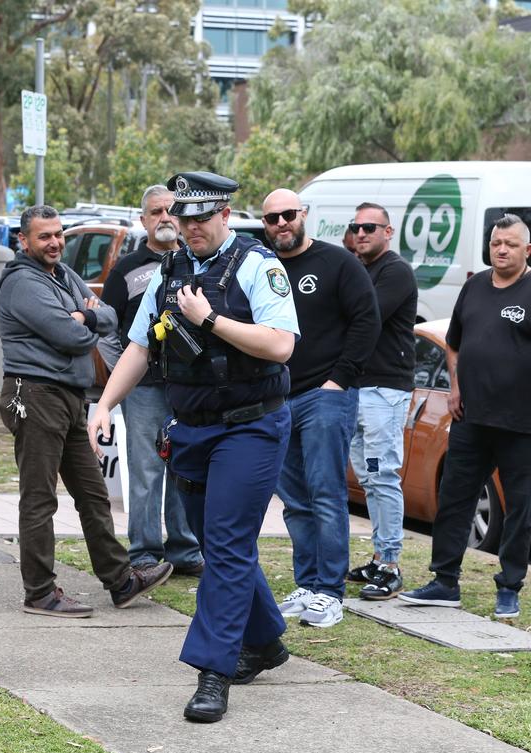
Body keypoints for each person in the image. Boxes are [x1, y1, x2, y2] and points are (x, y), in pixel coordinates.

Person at [88, 173, 299, 724]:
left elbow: (280, 345)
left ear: (226, 215)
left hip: (250, 426)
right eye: (185, 220)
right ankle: (267, 642)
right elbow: (139, 345)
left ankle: (213, 673)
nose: (193, 228)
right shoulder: (169, 271)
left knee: (224, 548)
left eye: (204, 218)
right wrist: (105, 403)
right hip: (193, 427)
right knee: (216, 539)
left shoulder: (258, 266)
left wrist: (213, 320)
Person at [0, 205, 172, 620]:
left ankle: (120, 580)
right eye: (44, 236)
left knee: (93, 494)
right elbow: (74, 337)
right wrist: (83, 318)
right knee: (40, 499)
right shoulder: (23, 282)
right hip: (35, 395)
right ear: (24, 241)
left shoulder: (62, 275)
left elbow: (108, 317)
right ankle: (39, 592)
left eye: (58, 234)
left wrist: (86, 313)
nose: (55, 242)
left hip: (68, 398)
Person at [400, 214, 531, 619]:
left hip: (522, 423)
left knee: (520, 508)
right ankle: (445, 581)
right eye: (496, 242)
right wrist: (456, 387)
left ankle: (509, 586)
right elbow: (453, 343)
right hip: (471, 419)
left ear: (527, 250)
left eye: (510, 244)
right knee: (454, 500)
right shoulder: (475, 286)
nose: (501, 250)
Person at [261, 189, 380, 628]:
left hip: (324, 396)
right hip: (276, 397)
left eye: (288, 215)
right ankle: (307, 584)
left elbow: (368, 320)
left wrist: (340, 379)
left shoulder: (337, 263)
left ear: (303, 215)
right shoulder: (263, 266)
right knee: (293, 499)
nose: (281, 224)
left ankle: (330, 592)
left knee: (326, 493)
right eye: (272, 218)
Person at [99, 184, 204, 577]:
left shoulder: (196, 262)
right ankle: (143, 551)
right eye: (155, 211)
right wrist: (122, 374)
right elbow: (107, 328)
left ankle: (184, 549)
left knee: (185, 465)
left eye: (169, 211)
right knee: (145, 469)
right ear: (143, 220)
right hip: (143, 389)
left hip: (187, 387)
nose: (164, 217)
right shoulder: (127, 269)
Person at [346, 203, 417, 600]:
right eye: (356, 227)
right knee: (369, 477)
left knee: (382, 473)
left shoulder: (395, 271)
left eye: (370, 227)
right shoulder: (361, 270)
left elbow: (366, 315)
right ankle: (378, 556)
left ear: (388, 231)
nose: (361, 233)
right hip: (359, 387)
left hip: (384, 390)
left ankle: (390, 565)